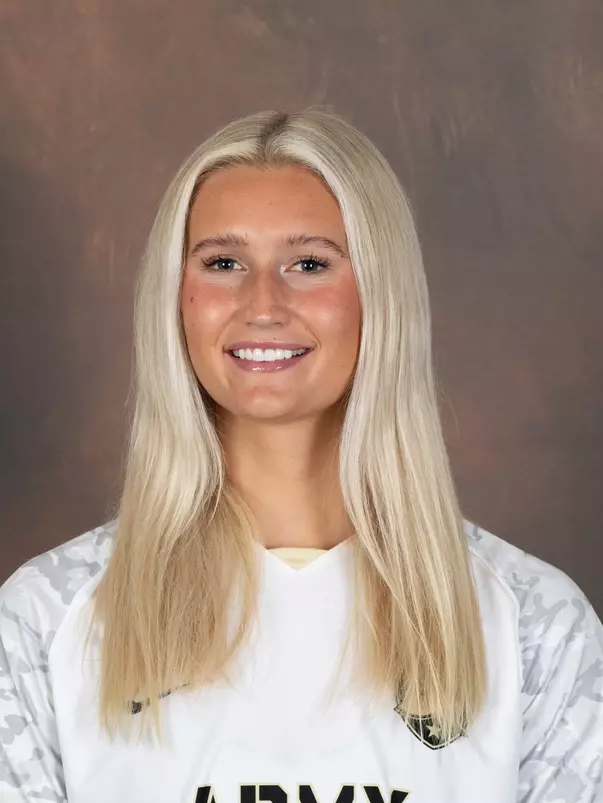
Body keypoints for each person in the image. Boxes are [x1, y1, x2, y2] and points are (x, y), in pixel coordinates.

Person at [0, 108, 601, 803]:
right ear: (176, 300)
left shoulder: (535, 626)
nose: (262, 303)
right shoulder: (45, 621)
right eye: (222, 263)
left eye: (308, 263)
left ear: (381, 293)